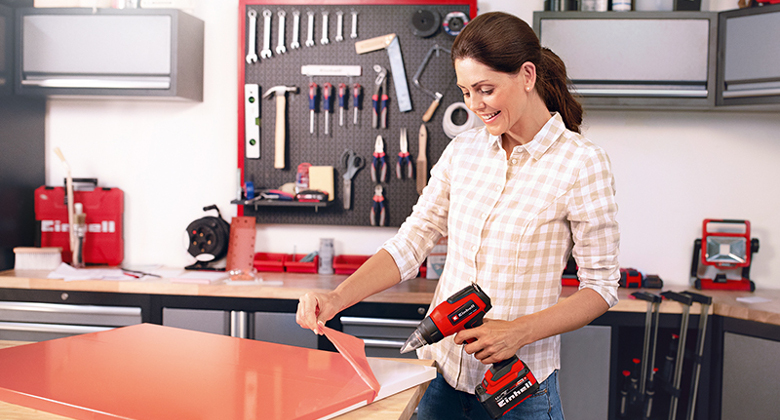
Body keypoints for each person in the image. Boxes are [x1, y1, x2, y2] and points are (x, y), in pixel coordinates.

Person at [296, 11, 620, 420]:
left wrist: (519, 331)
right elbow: (411, 241)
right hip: (442, 378)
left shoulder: (581, 164)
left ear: (526, 75)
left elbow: (601, 287)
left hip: (520, 390)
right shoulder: (464, 152)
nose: (475, 105)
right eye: (466, 92)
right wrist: (337, 298)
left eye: (486, 89)